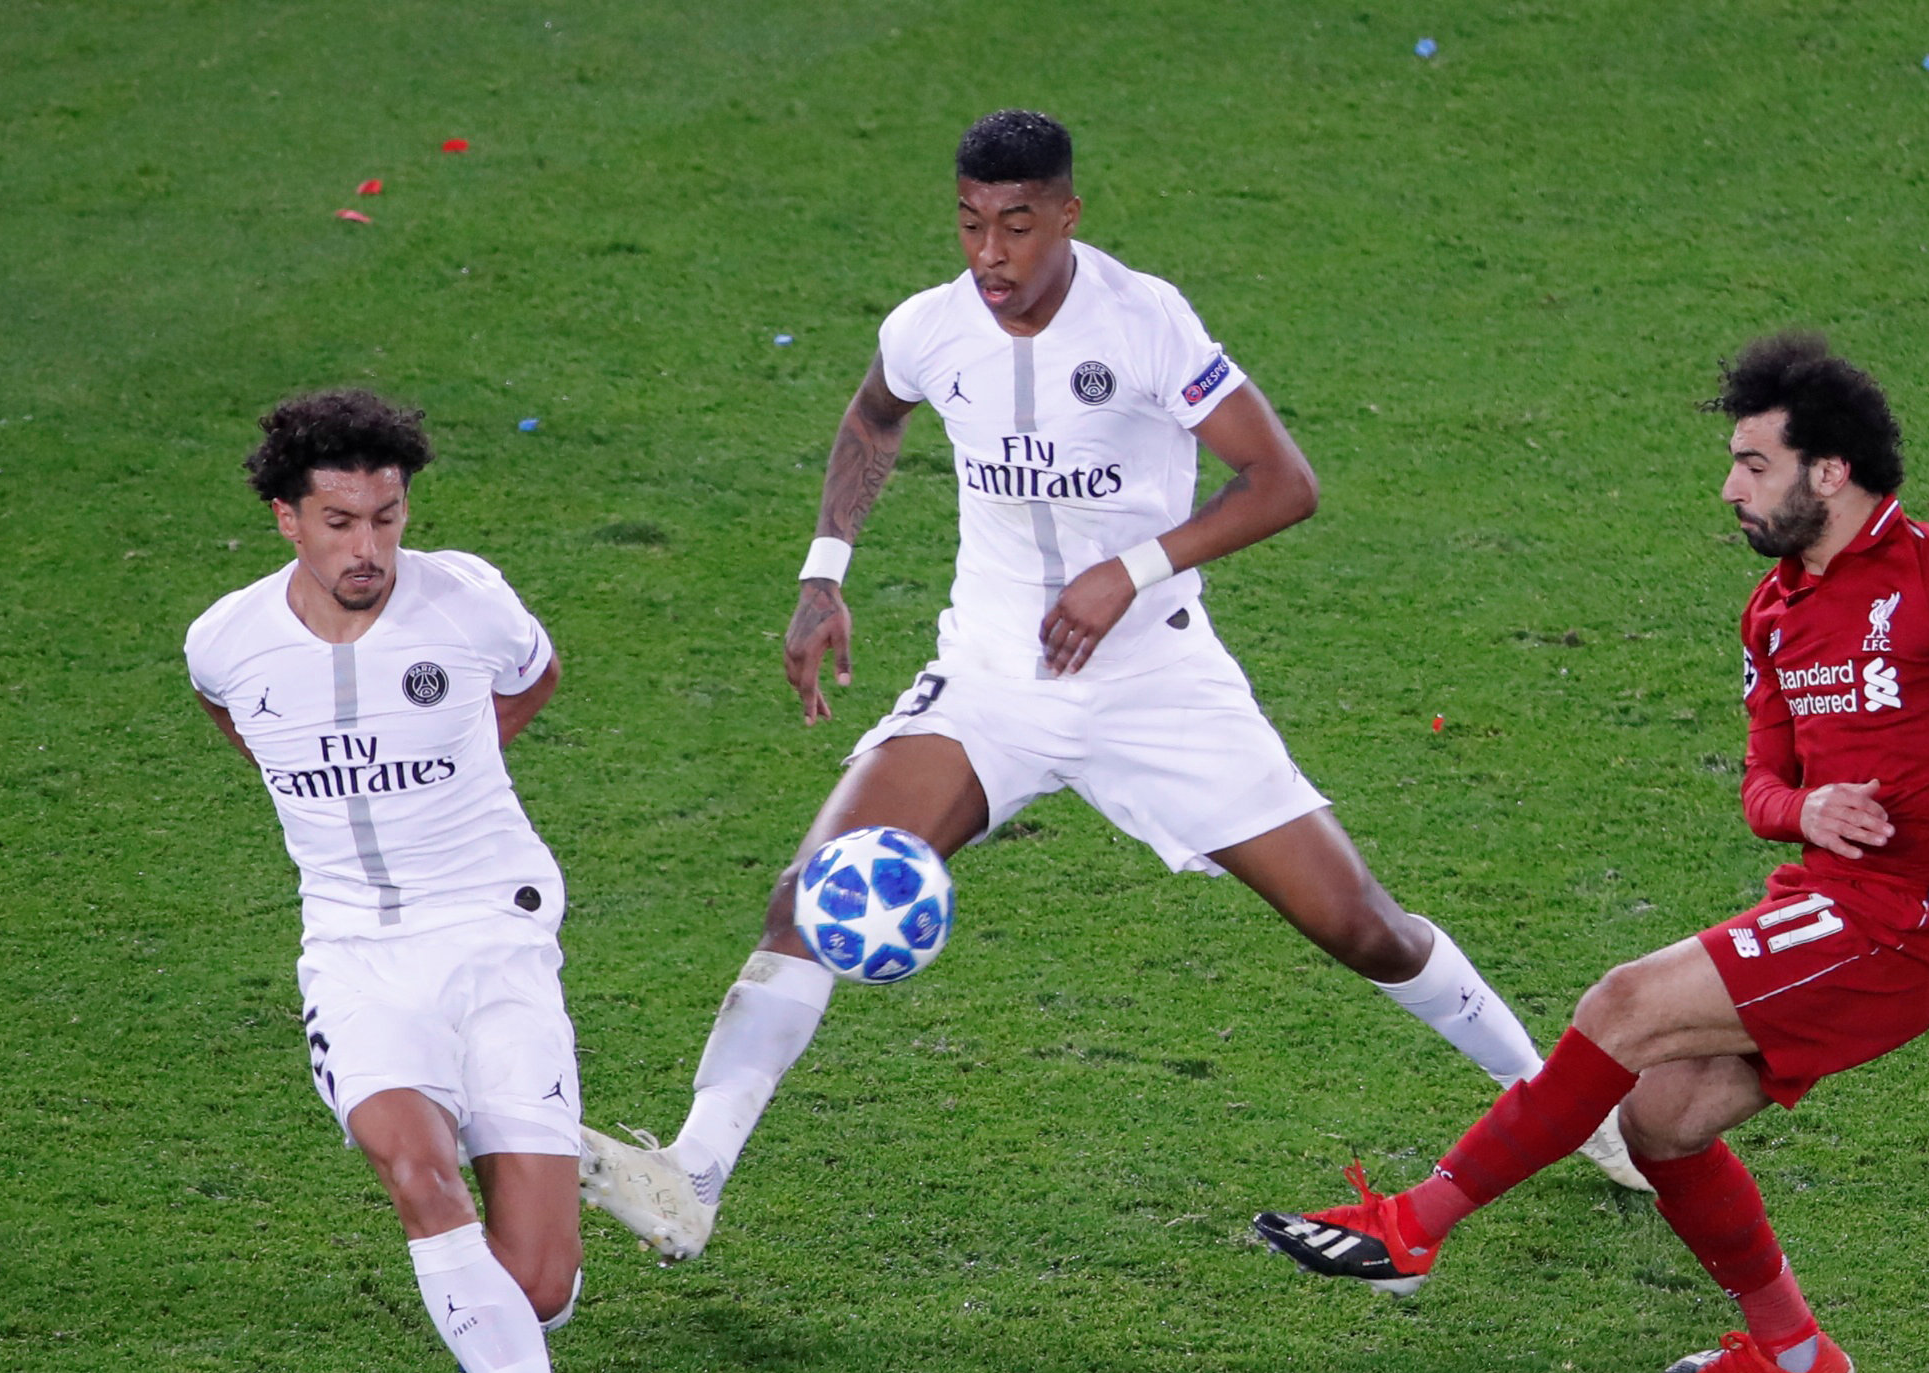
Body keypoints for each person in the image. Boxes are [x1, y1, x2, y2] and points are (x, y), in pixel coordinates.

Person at [577, 108, 1637, 1260]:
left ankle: (1567, 1103)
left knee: (1365, 927)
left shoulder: (1145, 323)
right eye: (973, 224)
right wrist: (823, 574)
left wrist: (1127, 572)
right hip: (988, 679)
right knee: (810, 894)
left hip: (1155, 684)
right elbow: (874, 417)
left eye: (1018, 226)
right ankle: (693, 1177)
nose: (992, 254)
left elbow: (1282, 481)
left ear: (1069, 217)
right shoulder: (930, 327)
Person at [1254, 333, 1929, 1373]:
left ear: (1831, 472)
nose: (1730, 487)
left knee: (1622, 1002)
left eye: (1754, 463)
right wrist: (1807, 805)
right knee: (1662, 1124)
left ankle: (1413, 1226)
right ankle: (1793, 1347)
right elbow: (1762, 791)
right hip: (1824, 899)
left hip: (1913, 920)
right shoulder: (1772, 615)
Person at [184, 389, 607, 1373]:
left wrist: (453, 772)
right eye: (339, 522)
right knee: (419, 1178)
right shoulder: (228, 641)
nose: (368, 547)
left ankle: (557, 1159)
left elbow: (535, 677)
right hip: (356, 954)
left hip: (494, 933)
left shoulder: (466, 599)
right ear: (287, 520)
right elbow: (232, 716)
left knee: (532, 1291)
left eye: (386, 516)